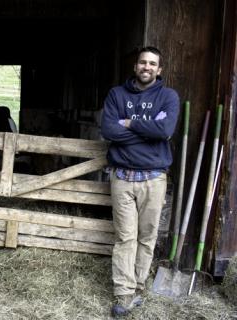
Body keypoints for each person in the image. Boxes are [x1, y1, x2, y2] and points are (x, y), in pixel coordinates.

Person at [100, 47, 180, 316]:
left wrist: (129, 123)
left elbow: (166, 130)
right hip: (122, 178)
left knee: (147, 237)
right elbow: (108, 130)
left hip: (154, 179)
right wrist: (150, 132)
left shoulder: (168, 96)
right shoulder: (117, 94)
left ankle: (139, 286)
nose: (147, 67)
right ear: (135, 66)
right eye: (142, 62)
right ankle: (124, 295)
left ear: (159, 70)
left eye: (152, 63)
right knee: (125, 237)